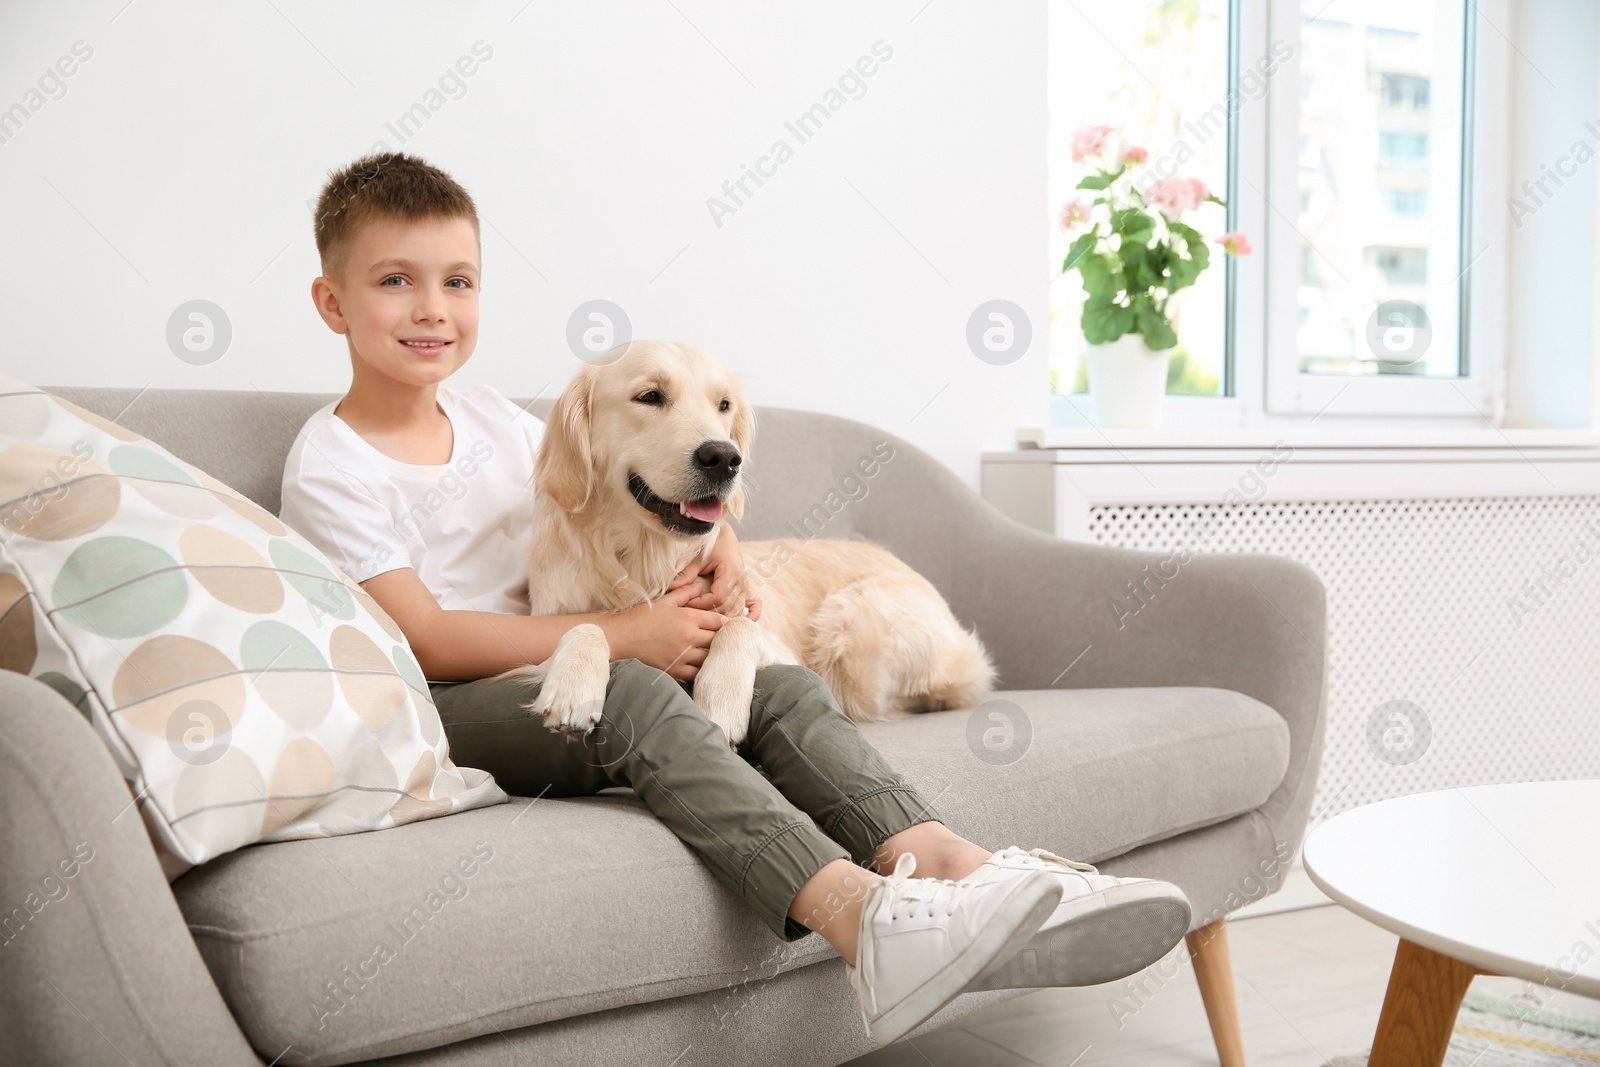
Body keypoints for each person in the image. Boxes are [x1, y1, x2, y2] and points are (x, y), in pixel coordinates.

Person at [278, 151, 1191, 1047]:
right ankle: (864, 921)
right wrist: (630, 631)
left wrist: (732, 558)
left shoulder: (488, 422)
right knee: (632, 688)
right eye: (396, 280)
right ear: (332, 301)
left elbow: (649, 485)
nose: (432, 308)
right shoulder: (332, 462)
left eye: (459, 281)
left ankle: (956, 864)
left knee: (778, 684)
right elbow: (426, 639)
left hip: (557, 664)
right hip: (441, 711)